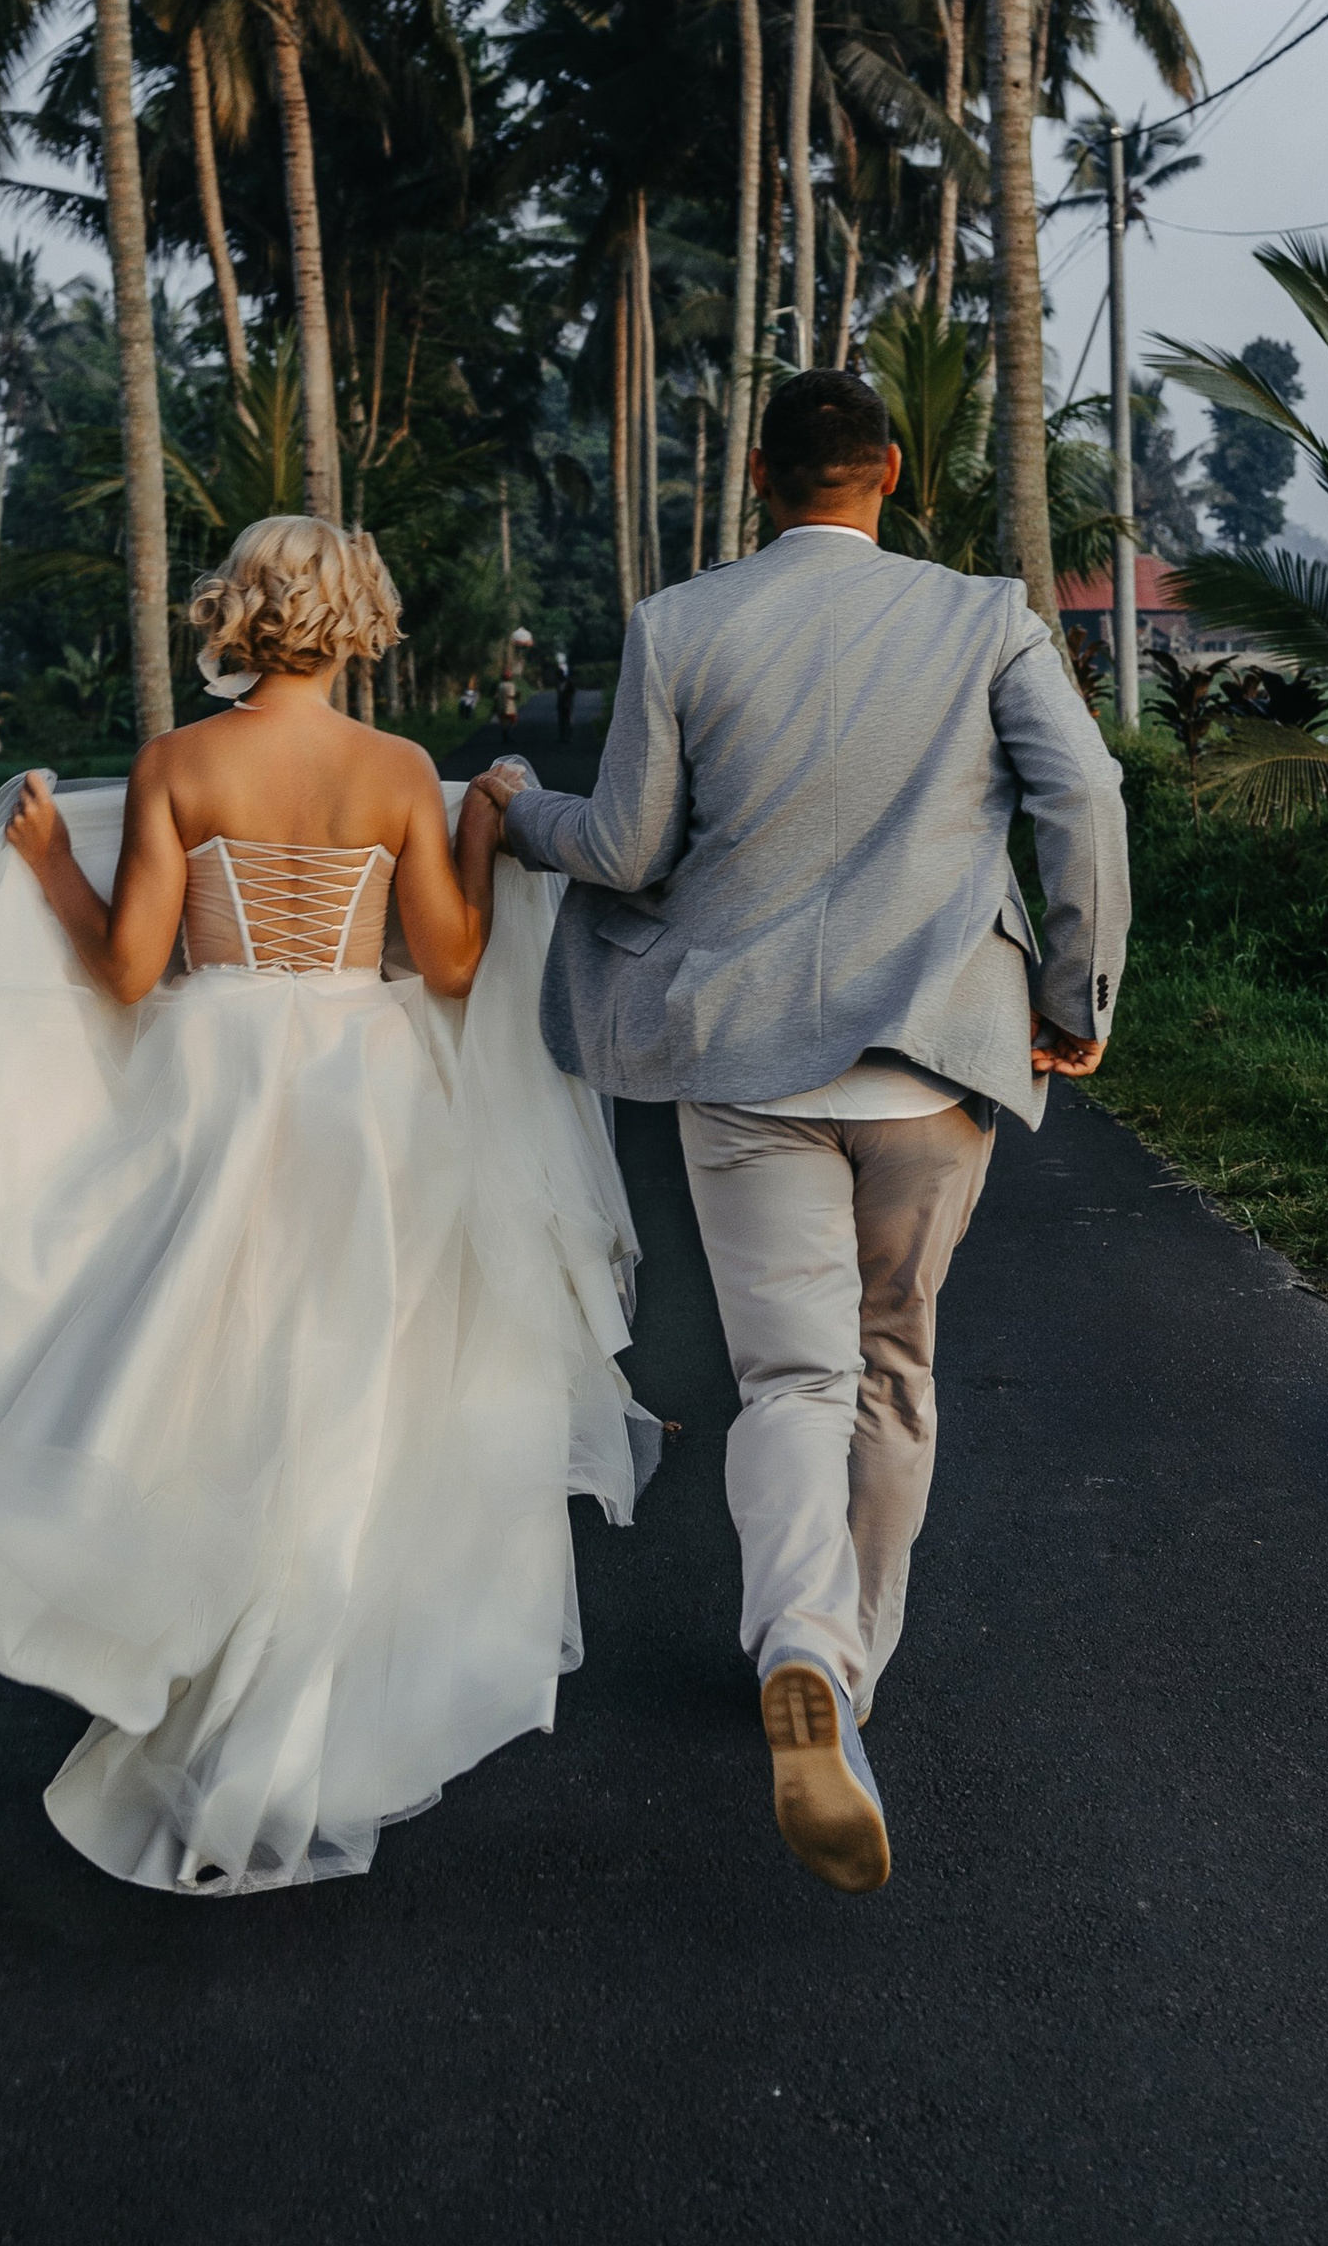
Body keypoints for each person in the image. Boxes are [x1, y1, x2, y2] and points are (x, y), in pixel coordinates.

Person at [0, 516, 656, 1899]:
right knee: (346, 1385)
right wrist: (478, 824)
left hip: (220, 1084)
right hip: (366, 1101)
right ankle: (283, 1687)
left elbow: (131, 973)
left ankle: (177, 1629)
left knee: (195, 1369)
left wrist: (47, 856)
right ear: (358, 619)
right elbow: (445, 962)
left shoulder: (181, 764)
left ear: (241, 613)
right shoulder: (393, 772)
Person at [478, 367, 1126, 1899]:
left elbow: (628, 846)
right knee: (893, 1371)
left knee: (788, 1377)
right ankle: (852, 1671)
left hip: (748, 1069)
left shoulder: (683, 624)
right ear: (893, 470)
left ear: (760, 476)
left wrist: (518, 806)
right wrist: (1076, 989)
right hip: (932, 1067)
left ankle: (800, 1645)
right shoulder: (984, 615)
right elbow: (1083, 795)